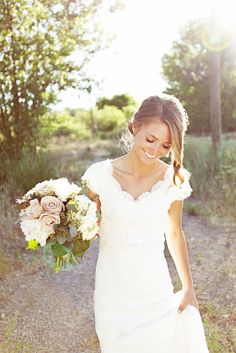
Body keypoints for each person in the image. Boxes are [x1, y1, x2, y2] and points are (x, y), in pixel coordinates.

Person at [81, 94, 209, 353]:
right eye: (151, 139)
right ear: (135, 127)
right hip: (112, 291)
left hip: (154, 290)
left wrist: (188, 289)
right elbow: (87, 227)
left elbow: (174, 233)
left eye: (165, 146)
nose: (155, 150)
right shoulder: (99, 176)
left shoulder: (173, 180)